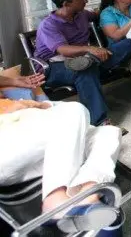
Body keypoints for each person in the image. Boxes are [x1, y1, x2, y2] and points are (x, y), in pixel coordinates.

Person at [0, 84, 123, 233]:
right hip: (7, 144)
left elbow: (50, 106)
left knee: (108, 133)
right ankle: (54, 201)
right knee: (75, 110)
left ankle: (89, 195)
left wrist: (36, 104)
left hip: (26, 147)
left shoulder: (8, 95)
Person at [33, 0, 131, 128]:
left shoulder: (81, 15)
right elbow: (63, 49)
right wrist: (90, 49)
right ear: (66, 3)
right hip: (54, 66)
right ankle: (100, 121)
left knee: (128, 43)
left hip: (85, 57)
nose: (85, 0)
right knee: (85, 70)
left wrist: (106, 7)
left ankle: (91, 62)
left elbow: (97, 14)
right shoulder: (49, 25)